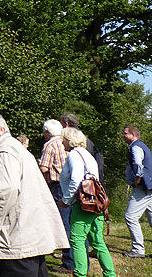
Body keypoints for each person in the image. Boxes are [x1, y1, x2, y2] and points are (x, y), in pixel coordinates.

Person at [0, 112, 68, 276]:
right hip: (29, 236)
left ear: (1, 129)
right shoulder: (14, 148)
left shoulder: (4, 152)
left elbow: (5, 191)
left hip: (17, 241)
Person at [57, 127, 116, 277]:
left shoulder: (74, 155)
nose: (61, 142)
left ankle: (80, 274)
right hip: (97, 204)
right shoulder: (87, 155)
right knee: (98, 242)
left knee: (76, 240)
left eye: (62, 139)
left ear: (68, 140)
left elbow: (76, 180)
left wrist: (66, 200)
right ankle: (110, 274)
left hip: (83, 205)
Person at [39, 118, 72, 274]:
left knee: (63, 223)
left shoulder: (50, 145)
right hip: (68, 185)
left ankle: (68, 262)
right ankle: (74, 259)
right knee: (71, 222)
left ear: (47, 132)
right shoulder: (66, 142)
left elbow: (44, 168)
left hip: (56, 186)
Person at [122, 125, 152, 258]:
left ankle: (138, 249)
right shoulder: (142, 145)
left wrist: (137, 181)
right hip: (149, 186)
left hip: (143, 187)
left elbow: (138, 166)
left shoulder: (136, 147)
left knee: (130, 217)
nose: (123, 136)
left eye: (125, 133)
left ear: (133, 135)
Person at [61, 113, 104, 183]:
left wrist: (69, 193)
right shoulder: (84, 139)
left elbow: (76, 175)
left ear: (67, 124)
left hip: (82, 185)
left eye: (61, 124)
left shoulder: (77, 145)